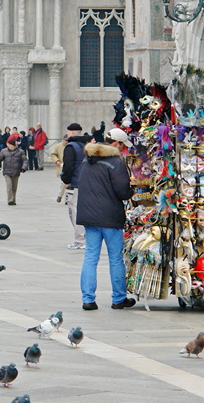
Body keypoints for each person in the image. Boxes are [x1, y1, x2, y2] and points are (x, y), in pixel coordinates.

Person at [77, 128, 135, 310]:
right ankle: (118, 298)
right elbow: (123, 192)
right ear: (116, 144)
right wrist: (132, 189)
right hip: (110, 216)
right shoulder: (115, 163)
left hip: (89, 216)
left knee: (90, 257)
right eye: (122, 145)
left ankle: (88, 299)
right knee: (115, 258)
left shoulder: (87, 159)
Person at [61, 123, 91, 249]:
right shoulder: (86, 145)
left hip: (75, 183)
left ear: (72, 132)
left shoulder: (70, 147)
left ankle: (80, 241)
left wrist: (66, 180)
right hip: (87, 182)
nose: (67, 134)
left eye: (68, 132)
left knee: (75, 211)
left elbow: (68, 166)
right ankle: (86, 239)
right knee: (84, 211)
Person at [0, 134, 27, 206]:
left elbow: (24, 160)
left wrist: (24, 167)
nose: (9, 146)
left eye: (10, 145)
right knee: (9, 185)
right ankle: (10, 200)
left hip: (16, 171)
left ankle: (13, 200)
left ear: (14, 145)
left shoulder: (20, 152)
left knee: (14, 187)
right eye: (8, 144)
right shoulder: (4, 151)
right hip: (7, 172)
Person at [49, 136, 68, 203]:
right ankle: (60, 196)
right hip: (62, 166)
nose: (66, 142)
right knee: (63, 182)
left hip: (70, 166)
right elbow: (53, 154)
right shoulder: (58, 146)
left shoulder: (71, 145)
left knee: (68, 184)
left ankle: (66, 198)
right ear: (63, 139)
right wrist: (57, 161)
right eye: (66, 140)